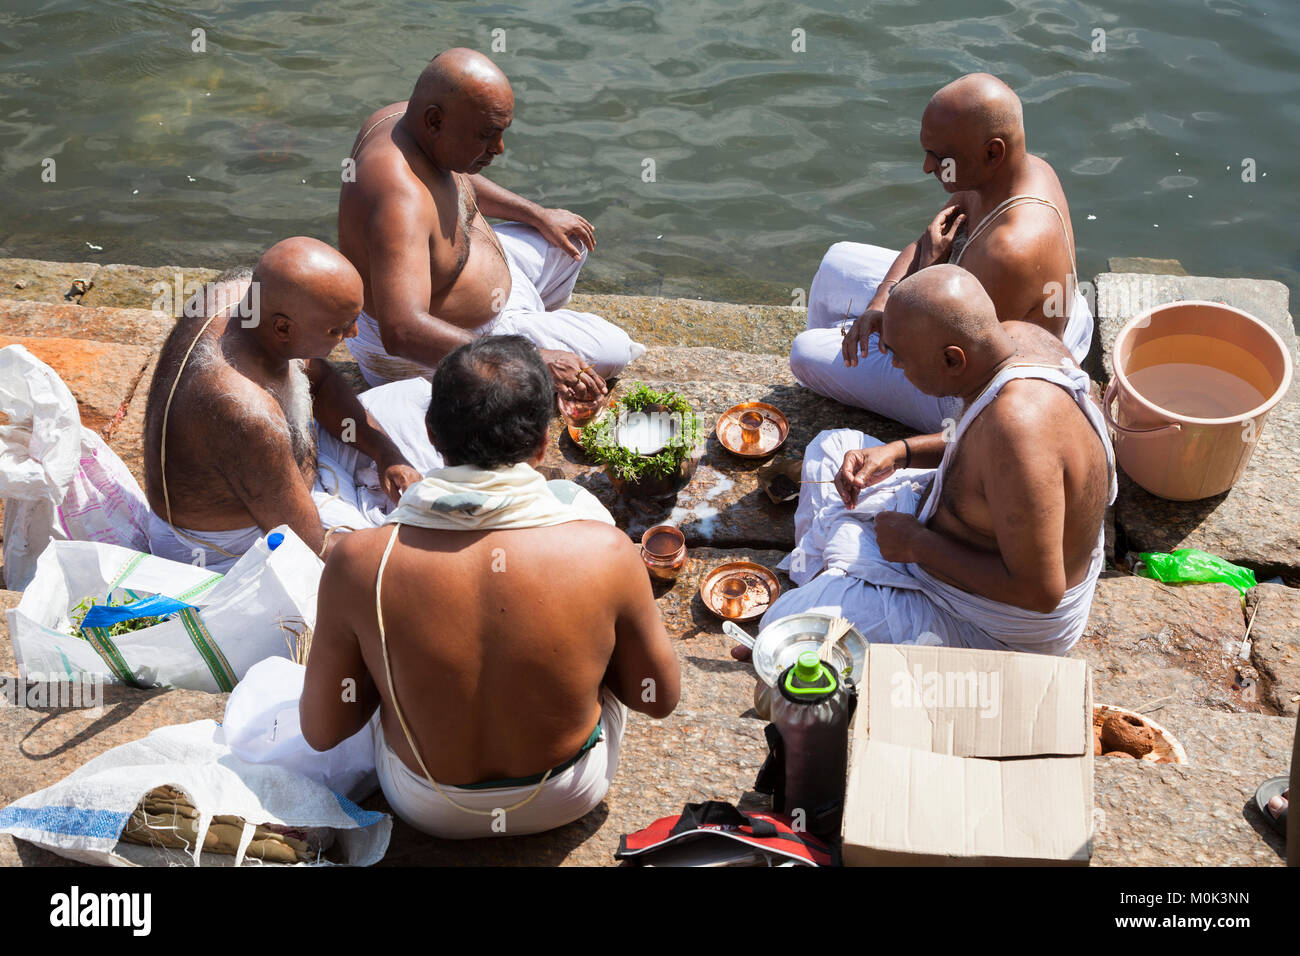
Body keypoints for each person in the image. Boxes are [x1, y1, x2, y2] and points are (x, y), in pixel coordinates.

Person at [300, 335, 679, 838]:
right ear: (544, 443)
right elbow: (656, 699)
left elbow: (324, 731)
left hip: (425, 802)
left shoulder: (359, 560)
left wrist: (398, 667)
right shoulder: (605, 550)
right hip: (567, 794)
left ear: (432, 433)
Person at [755, 265, 1114, 656]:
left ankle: (836, 582)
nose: (894, 366)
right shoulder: (1021, 338)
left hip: (997, 621)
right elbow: (975, 442)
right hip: (953, 539)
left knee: (782, 624)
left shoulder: (1018, 433)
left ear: (952, 360)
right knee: (834, 446)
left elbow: (1040, 592)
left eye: (900, 357)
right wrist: (902, 452)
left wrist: (916, 545)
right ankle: (840, 580)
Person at [789, 73, 1092, 433]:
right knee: (835, 263)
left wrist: (913, 285)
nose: (928, 167)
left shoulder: (1007, 251)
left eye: (940, 157)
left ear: (993, 151)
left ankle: (844, 367)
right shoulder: (1012, 172)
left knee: (804, 353)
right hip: (1004, 311)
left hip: (977, 388)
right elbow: (924, 241)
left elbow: (939, 350)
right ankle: (851, 358)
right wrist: (878, 305)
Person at [338, 48, 644, 397]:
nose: (499, 148)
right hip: (429, 349)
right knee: (614, 350)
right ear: (435, 121)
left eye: (501, 132)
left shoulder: (402, 121)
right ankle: (522, 336)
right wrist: (533, 357)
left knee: (569, 240)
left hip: (476, 280)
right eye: (485, 135)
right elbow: (402, 332)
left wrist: (537, 214)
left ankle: (530, 321)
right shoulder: (398, 200)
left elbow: (458, 178)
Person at [141, 238, 424, 571]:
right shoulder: (246, 409)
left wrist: (386, 454)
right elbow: (312, 547)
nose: (354, 333)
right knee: (417, 566)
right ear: (283, 328)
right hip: (238, 547)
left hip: (285, 480)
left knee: (416, 401)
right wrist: (417, 538)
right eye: (339, 329)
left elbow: (319, 379)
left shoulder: (247, 294)